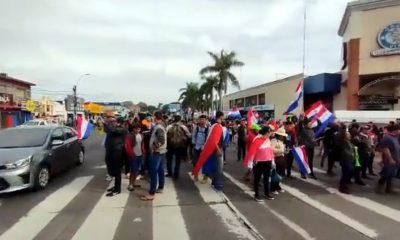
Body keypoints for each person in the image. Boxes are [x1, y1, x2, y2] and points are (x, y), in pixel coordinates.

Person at [141, 111, 167, 201]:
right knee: (160, 170)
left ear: (155, 117)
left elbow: (161, 140)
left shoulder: (158, 127)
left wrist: (154, 147)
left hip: (157, 152)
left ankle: (151, 193)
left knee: (153, 172)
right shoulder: (162, 125)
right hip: (162, 151)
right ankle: (160, 187)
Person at [245, 126, 275, 201]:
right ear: (266, 133)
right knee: (257, 179)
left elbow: (271, 151)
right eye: (269, 132)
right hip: (259, 162)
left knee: (266, 178)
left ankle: (267, 193)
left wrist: (273, 161)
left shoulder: (268, 140)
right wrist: (250, 163)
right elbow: (252, 152)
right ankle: (256, 194)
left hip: (267, 162)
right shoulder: (257, 140)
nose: (270, 133)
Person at [104, 117, 128, 197]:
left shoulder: (122, 129)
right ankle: (115, 186)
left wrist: (107, 122)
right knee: (110, 166)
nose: (113, 123)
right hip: (111, 151)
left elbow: (111, 130)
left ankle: (117, 189)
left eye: (114, 121)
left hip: (118, 152)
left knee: (117, 170)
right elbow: (106, 130)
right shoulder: (115, 128)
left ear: (119, 122)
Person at [376, 124, 400, 194]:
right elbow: (386, 149)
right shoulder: (387, 138)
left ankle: (388, 188)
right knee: (386, 174)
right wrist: (390, 159)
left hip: (396, 159)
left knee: (392, 174)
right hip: (389, 160)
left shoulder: (395, 137)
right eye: (399, 129)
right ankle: (380, 186)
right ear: (395, 130)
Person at [166, 115, 191, 180]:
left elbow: (165, 134)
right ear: (180, 119)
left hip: (170, 145)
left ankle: (169, 173)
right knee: (178, 160)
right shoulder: (183, 127)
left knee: (169, 159)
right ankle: (176, 174)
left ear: (173, 119)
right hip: (180, 145)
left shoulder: (169, 126)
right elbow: (189, 135)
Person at [335, 125, 355, 194]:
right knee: (347, 172)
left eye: (349, 135)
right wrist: (342, 129)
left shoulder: (349, 142)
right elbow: (340, 137)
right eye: (348, 135)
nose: (349, 136)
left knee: (349, 172)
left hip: (350, 159)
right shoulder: (343, 142)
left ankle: (344, 184)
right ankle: (342, 186)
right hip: (345, 159)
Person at [124, 123, 144, 191]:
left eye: (139, 129)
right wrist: (131, 154)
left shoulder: (141, 135)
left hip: (140, 155)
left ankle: (133, 183)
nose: (138, 130)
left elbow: (142, 144)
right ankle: (130, 184)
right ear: (133, 129)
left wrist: (143, 152)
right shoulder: (129, 136)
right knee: (133, 171)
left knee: (137, 170)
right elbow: (127, 146)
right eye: (137, 129)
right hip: (134, 155)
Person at [191, 115, 209, 181]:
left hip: (205, 148)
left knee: (206, 162)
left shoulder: (208, 128)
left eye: (204, 119)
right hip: (196, 147)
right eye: (201, 119)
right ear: (199, 120)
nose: (202, 121)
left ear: (206, 120)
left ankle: (205, 177)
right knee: (195, 162)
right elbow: (193, 136)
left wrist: (205, 145)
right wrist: (194, 145)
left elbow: (208, 138)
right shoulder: (196, 128)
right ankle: (196, 175)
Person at [271, 127, 287, 195]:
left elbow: (283, 150)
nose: (283, 137)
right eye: (282, 135)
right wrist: (281, 150)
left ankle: (277, 186)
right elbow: (271, 150)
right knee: (275, 175)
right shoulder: (273, 141)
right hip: (276, 159)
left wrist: (285, 151)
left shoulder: (282, 142)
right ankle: (273, 188)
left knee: (281, 174)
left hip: (282, 159)